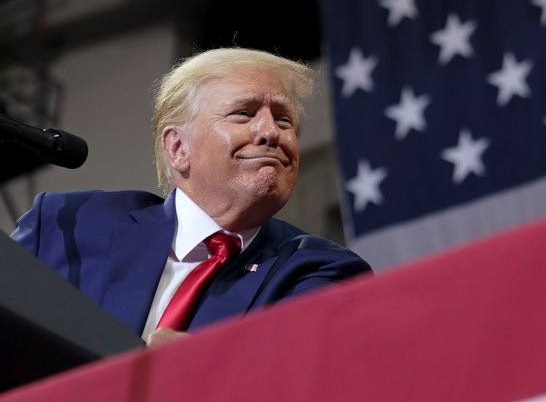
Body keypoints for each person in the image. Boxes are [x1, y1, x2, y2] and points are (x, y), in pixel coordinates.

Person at [11, 47, 372, 347]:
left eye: (284, 121)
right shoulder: (66, 225)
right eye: (244, 114)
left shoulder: (318, 270)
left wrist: (196, 368)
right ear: (178, 147)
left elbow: (289, 383)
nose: (269, 133)